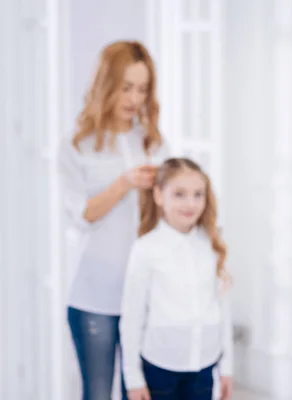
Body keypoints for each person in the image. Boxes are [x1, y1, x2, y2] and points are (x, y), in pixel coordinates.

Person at [58, 40, 169, 400]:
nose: (134, 98)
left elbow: (169, 214)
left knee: (141, 392)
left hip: (146, 294)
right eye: (126, 87)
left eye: (142, 88)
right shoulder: (77, 145)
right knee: (98, 394)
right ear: (106, 84)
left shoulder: (152, 143)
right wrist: (124, 183)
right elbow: (82, 216)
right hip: (95, 297)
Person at [119, 158, 234, 400]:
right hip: (159, 368)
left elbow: (223, 310)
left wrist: (227, 368)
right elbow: (132, 316)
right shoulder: (145, 248)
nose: (190, 203)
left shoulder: (211, 245)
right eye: (179, 194)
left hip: (204, 366)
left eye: (197, 194)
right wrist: (133, 379)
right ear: (159, 195)